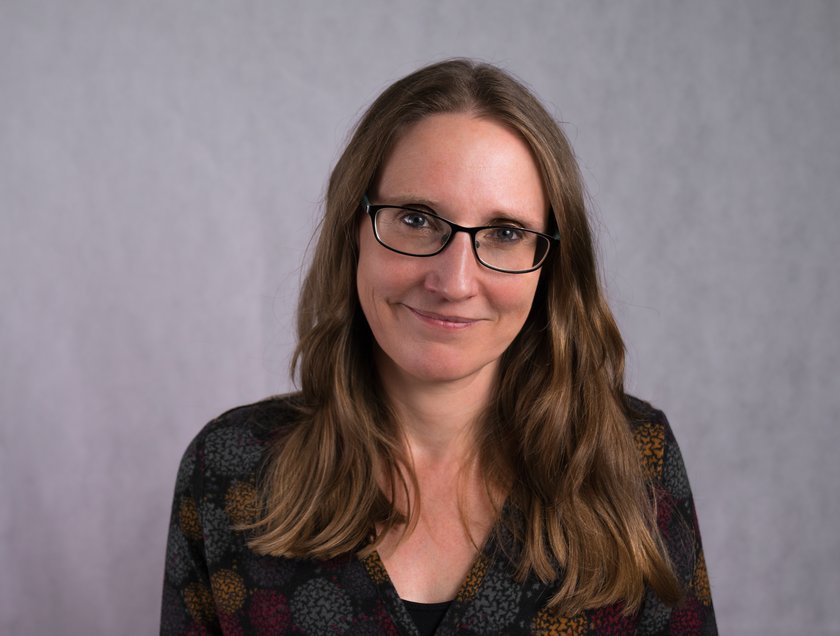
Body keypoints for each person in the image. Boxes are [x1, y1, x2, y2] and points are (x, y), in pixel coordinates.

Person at [161, 59, 717, 635]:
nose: (453, 283)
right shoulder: (231, 470)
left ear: (548, 263)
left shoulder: (631, 463)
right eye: (417, 219)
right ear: (355, 231)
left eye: (505, 233)